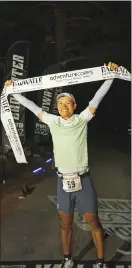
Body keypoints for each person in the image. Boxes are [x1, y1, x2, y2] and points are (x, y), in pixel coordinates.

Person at [5, 62, 118, 268]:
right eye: (60, 104)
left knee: (92, 221)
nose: (63, 107)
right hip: (63, 181)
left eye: (67, 104)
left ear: (74, 106)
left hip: (83, 180)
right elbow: (32, 107)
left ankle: (100, 261)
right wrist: (13, 91)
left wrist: (110, 75)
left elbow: (97, 98)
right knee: (65, 224)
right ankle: (67, 259)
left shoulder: (82, 119)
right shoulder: (52, 121)